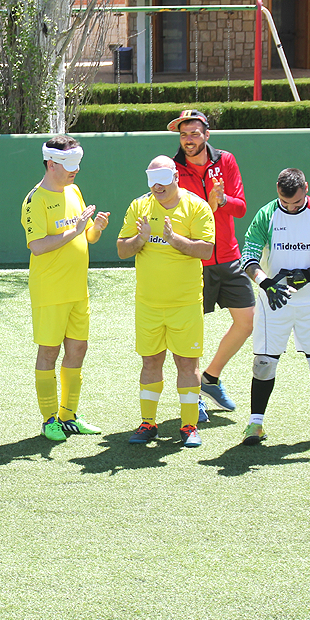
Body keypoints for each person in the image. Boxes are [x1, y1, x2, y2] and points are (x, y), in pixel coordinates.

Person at [238, 168, 310, 446]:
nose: (291, 207)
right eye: (285, 202)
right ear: (277, 188)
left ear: (306, 188)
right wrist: (266, 283)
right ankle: (255, 425)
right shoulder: (266, 215)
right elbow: (249, 256)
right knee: (264, 363)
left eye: (297, 203)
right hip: (273, 302)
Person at [117, 156, 214, 447]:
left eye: (162, 179)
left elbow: (206, 250)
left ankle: (188, 427)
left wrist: (176, 241)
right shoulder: (139, 206)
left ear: (176, 177)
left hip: (185, 304)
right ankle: (148, 423)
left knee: (187, 363)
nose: (156, 187)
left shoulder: (197, 206)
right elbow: (122, 249)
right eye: (151, 180)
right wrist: (140, 240)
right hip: (148, 304)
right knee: (151, 362)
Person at [22, 135, 109, 442]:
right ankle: (49, 420)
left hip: (78, 291)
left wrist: (95, 228)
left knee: (78, 349)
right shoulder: (35, 200)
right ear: (50, 163)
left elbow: (86, 235)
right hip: (50, 292)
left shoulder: (74, 190)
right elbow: (37, 246)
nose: (75, 170)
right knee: (48, 352)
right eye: (68, 164)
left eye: (77, 163)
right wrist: (74, 230)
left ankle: (69, 415)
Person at [169, 109, 253, 418]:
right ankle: (193, 394)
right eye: (183, 135)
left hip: (229, 257)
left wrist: (224, 201)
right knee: (191, 331)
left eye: (193, 133)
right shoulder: (174, 168)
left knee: (247, 322)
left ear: (207, 134)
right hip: (193, 260)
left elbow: (241, 208)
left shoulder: (226, 161)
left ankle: (210, 378)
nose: (188, 140)